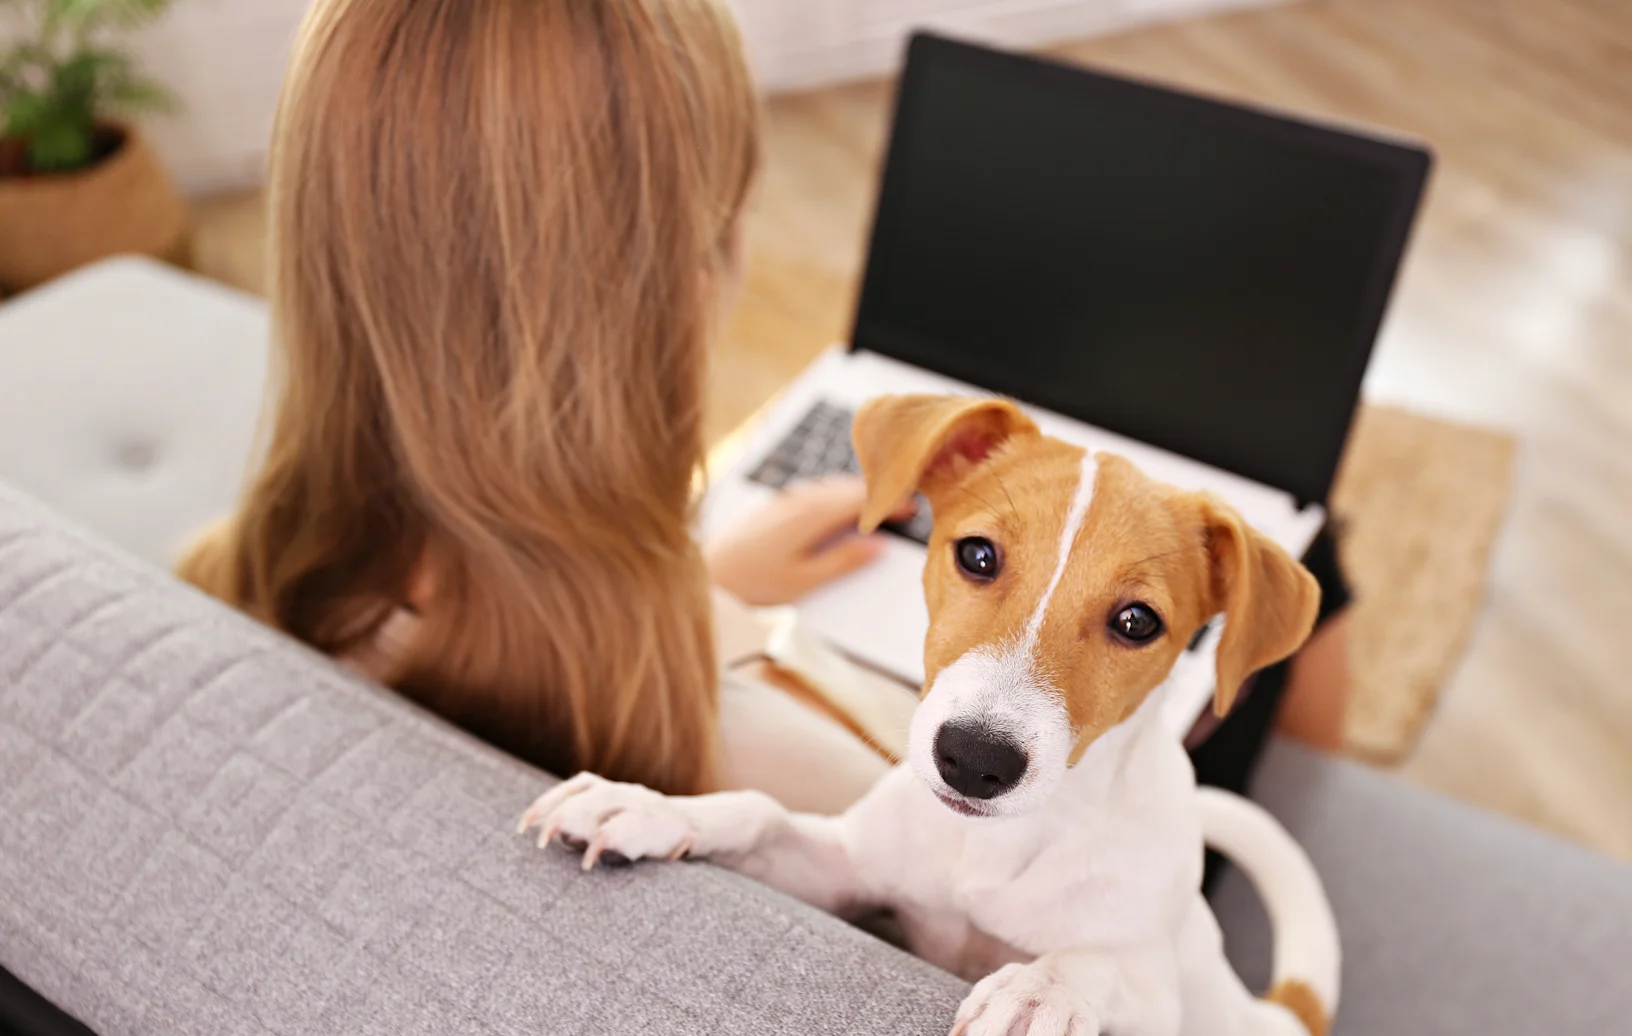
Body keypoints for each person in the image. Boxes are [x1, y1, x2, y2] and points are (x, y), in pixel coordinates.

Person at [180, 0, 1348, 824]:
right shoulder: (805, 775)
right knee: (1315, 561)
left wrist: (707, 584)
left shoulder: (224, 581)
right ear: (691, 278)